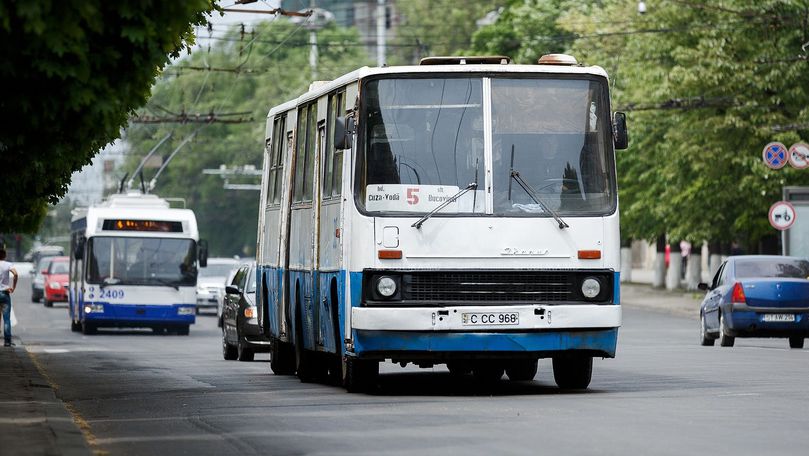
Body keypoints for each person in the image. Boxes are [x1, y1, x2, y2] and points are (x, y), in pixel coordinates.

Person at [0, 248, 19, 347]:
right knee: (6, 319)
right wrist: (13, 287)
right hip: (4, 294)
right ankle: (7, 342)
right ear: (4, 255)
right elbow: (15, 274)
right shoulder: (8, 264)